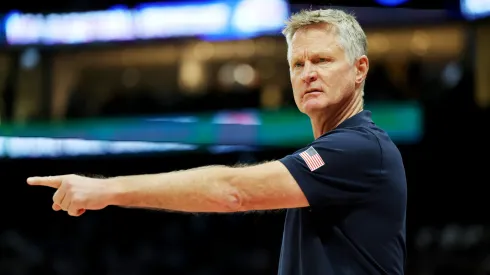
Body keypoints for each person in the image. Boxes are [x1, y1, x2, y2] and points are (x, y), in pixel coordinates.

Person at [28, 8, 407, 275]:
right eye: (297, 64)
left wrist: (105, 191)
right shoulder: (339, 151)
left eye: (322, 60)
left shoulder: (359, 149)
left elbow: (232, 191)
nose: (307, 73)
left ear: (360, 70)